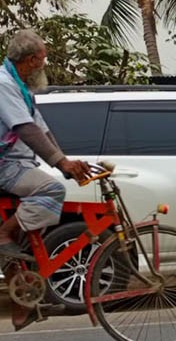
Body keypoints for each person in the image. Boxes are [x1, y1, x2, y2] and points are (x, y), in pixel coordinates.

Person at [0, 30, 92, 328]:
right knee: (51, 189)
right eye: (42, 59)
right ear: (29, 61)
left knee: (24, 241)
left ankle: (22, 305)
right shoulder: (3, 84)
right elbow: (25, 129)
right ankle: (3, 234)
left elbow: (42, 130)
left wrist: (65, 163)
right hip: (4, 165)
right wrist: (60, 165)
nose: (44, 64)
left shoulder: (19, 86)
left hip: (15, 163)